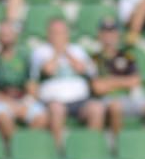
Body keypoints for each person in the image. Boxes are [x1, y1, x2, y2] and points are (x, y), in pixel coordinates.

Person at [28, 19, 105, 147]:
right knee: (57, 110)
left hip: (79, 100)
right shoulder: (41, 52)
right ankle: (58, 149)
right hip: (54, 100)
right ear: (48, 34)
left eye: (61, 33)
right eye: (55, 33)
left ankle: (91, 148)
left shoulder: (78, 50)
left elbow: (83, 69)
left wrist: (66, 52)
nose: (58, 36)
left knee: (97, 109)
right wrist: (57, 53)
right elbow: (48, 70)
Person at [90, 18, 145, 134]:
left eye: (112, 31)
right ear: (99, 35)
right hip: (109, 99)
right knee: (115, 107)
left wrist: (110, 81)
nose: (109, 35)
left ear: (117, 34)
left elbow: (136, 81)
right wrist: (124, 82)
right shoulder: (94, 58)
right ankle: (119, 144)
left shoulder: (127, 56)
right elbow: (98, 88)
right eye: (105, 31)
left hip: (131, 98)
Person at [0, 22, 48, 141]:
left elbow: (32, 87)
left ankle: (25, 144)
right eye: (3, 33)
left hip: (22, 100)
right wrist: (10, 104)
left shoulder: (26, 60)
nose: (6, 36)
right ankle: (15, 147)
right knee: (3, 117)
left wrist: (24, 103)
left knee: (41, 117)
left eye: (9, 33)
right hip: (0, 100)